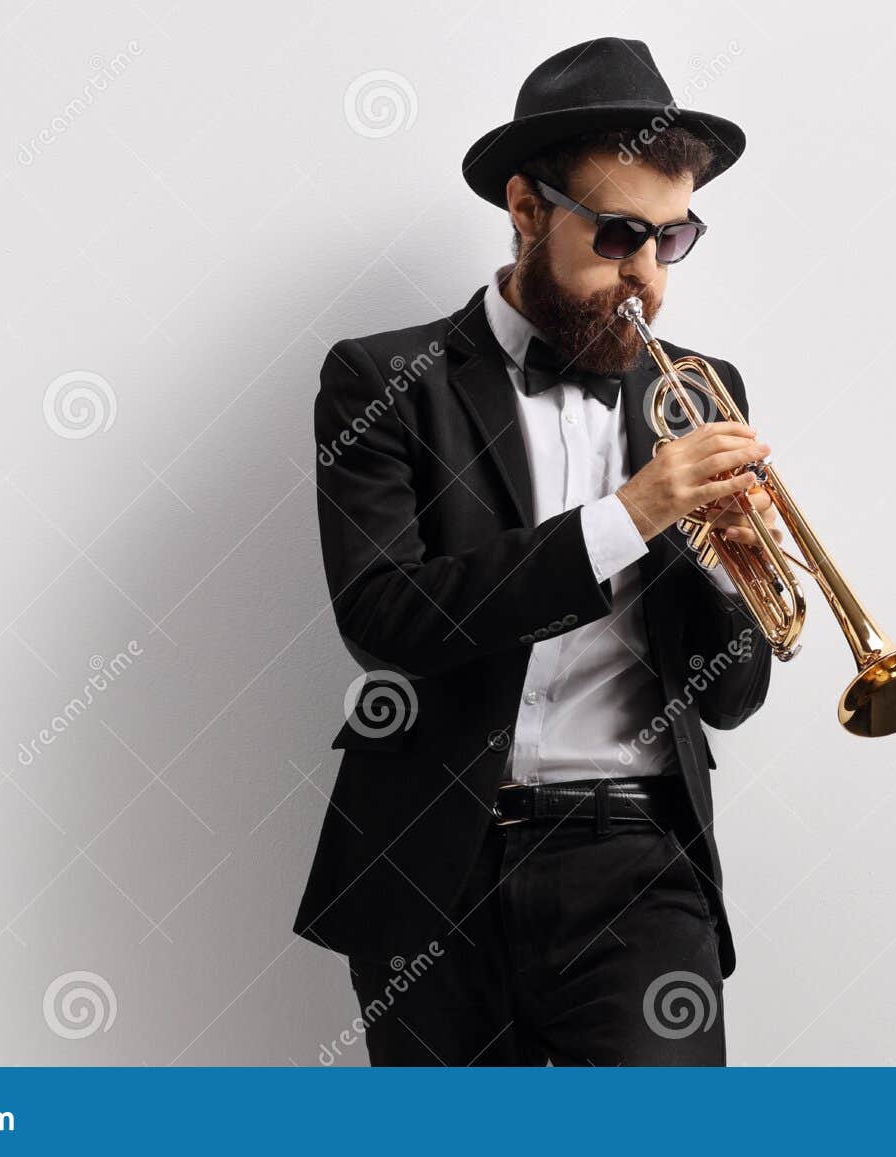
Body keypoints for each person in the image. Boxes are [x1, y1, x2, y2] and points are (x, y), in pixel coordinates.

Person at [294, 36, 781, 1065]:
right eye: (614, 236)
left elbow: (730, 695)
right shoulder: (385, 379)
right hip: (435, 863)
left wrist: (728, 572)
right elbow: (386, 617)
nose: (643, 277)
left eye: (671, 239)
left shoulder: (701, 388)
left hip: (639, 864)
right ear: (525, 210)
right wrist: (631, 513)